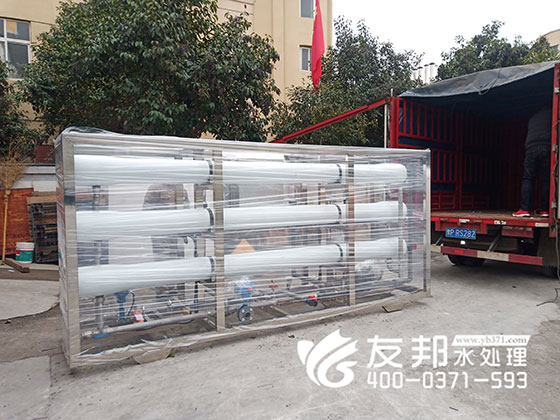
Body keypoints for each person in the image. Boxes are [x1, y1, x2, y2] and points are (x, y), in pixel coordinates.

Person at [513, 106, 552, 217]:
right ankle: (545, 210)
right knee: (546, 179)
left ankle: (524, 209)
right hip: (547, 146)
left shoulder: (533, 118)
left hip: (531, 148)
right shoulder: (552, 113)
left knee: (528, 178)